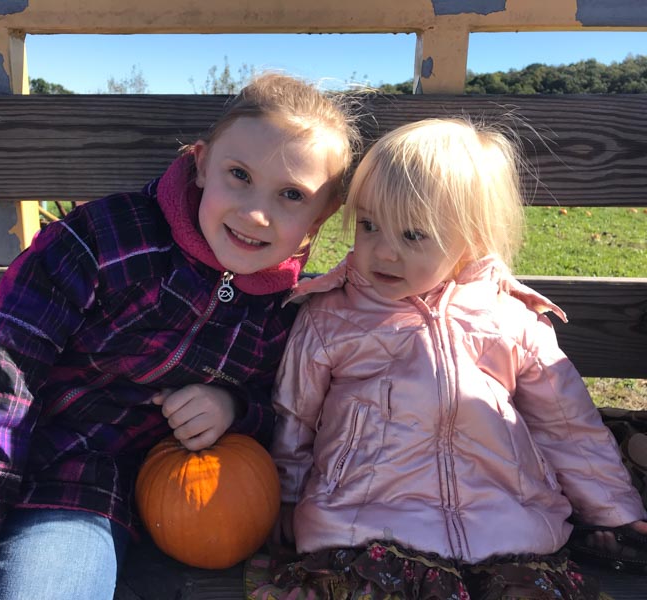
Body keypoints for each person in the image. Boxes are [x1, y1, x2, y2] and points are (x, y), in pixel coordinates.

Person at [0, 72, 359, 600]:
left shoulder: (282, 313)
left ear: (323, 215)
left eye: (292, 195)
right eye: (239, 174)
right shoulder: (103, 239)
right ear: (201, 164)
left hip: (80, 490)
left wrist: (233, 406)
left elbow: (277, 408)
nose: (256, 212)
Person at [247, 118, 647, 600]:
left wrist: (614, 512)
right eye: (370, 225)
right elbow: (294, 418)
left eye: (413, 235)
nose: (383, 251)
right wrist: (285, 498)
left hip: (509, 528)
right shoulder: (332, 317)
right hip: (364, 526)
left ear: (472, 238)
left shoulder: (510, 320)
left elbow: (567, 426)